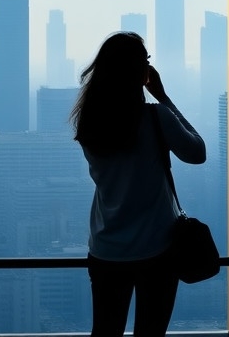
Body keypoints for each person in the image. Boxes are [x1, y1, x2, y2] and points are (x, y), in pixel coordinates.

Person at [72, 32, 206, 337]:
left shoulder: (89, 122)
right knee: (150, 335)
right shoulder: (155, 117)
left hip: (106, 249)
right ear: (139, 71)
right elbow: (198, 152)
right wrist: (163, 97)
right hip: (157, 249)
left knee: (105, 333)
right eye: (146, 61)